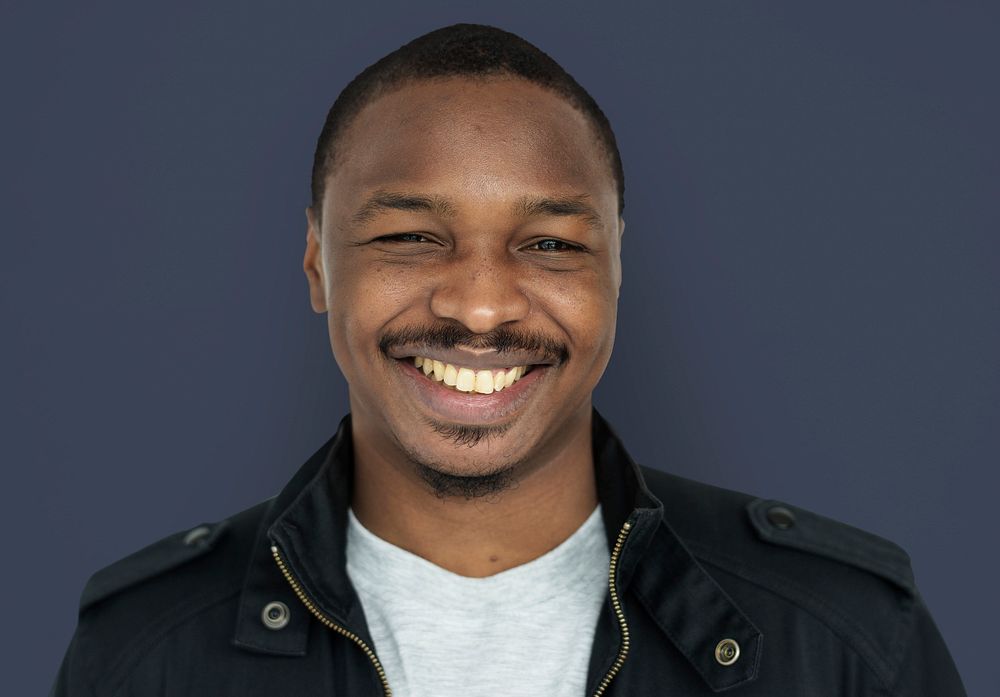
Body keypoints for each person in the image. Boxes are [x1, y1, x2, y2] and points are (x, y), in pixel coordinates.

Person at [50, 22, 967, 697]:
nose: (480, 305)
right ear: (318, 263)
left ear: (617, 267)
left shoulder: (847, 641)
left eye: (550, 246)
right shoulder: (142, 654)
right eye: (412, 236)